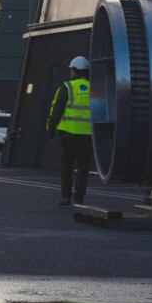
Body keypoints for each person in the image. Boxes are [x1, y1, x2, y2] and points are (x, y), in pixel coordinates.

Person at [47, 55, 92, 206]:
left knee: (67, 166)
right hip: (87, 136)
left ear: (74, 70)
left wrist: (51, 130)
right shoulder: (96, 88)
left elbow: (56, 111)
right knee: (83, 168)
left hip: (68, 135)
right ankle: (79, 198)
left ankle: (66, 197)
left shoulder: (67, 87)